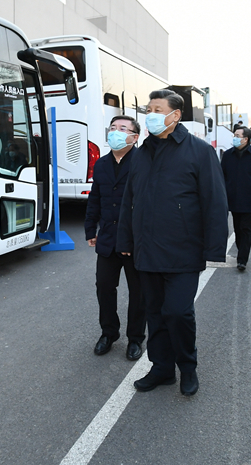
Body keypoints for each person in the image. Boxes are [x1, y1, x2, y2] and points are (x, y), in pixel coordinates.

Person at [117, 90, 227, 396]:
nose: (150, 114)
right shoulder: (141, 153)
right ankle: (162, 369)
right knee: (155, 313)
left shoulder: (199, 151)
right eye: (148, 109)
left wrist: (214, 250)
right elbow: (129, 200)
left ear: (175, 115)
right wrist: (125, 238)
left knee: (178, 312)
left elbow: (215, 202)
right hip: (147, 250)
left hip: (184, 250)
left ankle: (188, 368)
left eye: (157, 109)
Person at [84, 116, 146, 361]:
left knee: (138, 292)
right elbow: (95, 198)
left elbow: (147, 205)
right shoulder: (101, 164)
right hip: (108, 240)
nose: (115, 132)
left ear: (134, 137)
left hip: (134, 241)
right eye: (112, 128)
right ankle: (108, 333)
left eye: (122, 128)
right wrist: (90, 229)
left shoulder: (144, 162)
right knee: (104, 287)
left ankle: (135, 338)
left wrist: (135, 238)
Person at [222, 127, 251, 271]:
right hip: (233, 197)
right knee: (237, 228)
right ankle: (241, 251)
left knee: (246, 229)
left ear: (245, 139)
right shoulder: (228, 155)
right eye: (234, 135)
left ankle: (242, 259)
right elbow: (222, 176)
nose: (234, 138)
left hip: (250, 198)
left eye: (237, 135)